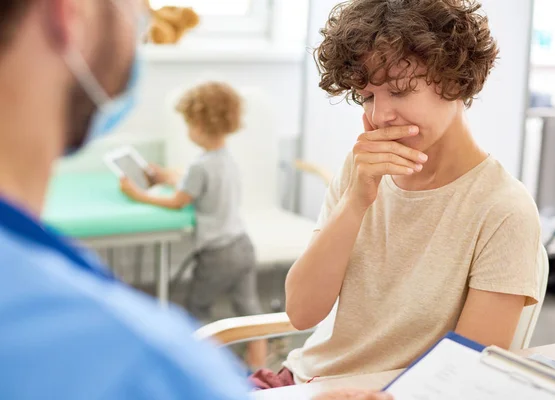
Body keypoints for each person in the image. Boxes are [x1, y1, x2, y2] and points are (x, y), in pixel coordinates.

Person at [0, 0, 390, 399]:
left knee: (208, 304)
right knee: (244, 302)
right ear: (69, 14)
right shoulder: (154, 366)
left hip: (220, 257)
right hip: (238, 253)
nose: (145, 19)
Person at [252, 0, 543, 388]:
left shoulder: (504, 210)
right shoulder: (361, 170)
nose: (381, 116)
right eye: (368, 97)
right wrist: (357, 201)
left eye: (400, 90)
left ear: (456, 79)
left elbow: (463, 379)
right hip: (300, 382)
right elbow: (302, 313)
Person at [120, 81, 268, 371]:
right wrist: (165, 177)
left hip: (218, 255)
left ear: (199, 124)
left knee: (197, 310)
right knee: (250, 312)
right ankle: (260, 370)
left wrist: (137, 194)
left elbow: (179, 200)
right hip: (242, 246)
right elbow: (192, 184)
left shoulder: (201, 166)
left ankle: (197, 368)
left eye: (188, 123)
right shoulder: (226, 159)